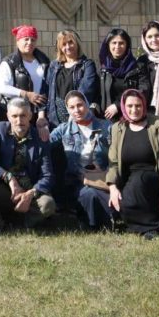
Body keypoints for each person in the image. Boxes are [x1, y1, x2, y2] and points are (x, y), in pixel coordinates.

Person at [106, 89, 159, 239]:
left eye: (138, 105)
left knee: (139, 182)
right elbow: (113, 163)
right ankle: (144, 225)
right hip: (130, 177)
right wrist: (112, 187)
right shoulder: (117, 129)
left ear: (144, 105)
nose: (134, 110)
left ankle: (151, 229)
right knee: (125, 197)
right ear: (123, 107)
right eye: (130, 106)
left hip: (157, 175)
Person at [0, 98, 56, 230]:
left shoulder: (40, 137)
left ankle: (22, 224)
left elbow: (48, 175)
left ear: (30, 116)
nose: (19, 121)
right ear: (8, 116)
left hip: (30, 190)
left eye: (23, 116)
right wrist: (9, 178)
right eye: (14, 116)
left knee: (48, 204)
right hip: (7, 190)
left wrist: (30, 194)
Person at [49, 91, 113, 230]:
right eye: (72, 107)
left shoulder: (106, 127)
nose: (76, 110)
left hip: (103, 179)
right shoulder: (63, 129)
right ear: (67, 109)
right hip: (78, 182)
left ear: (87, 104)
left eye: (80, 105)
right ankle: (93, 226)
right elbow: (44, 145)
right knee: (88, 194)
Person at [0, 25, 51, 137]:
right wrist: (26, 94)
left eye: (33, 39)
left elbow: (46, 89)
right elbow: (2, 87)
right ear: (17, 41)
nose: (29, 42)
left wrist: (41, 115)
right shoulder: (9, 62)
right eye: (26, 39)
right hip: (18, 116)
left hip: (39, 115)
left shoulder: (44, 62)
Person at [42, 30, 100, 129]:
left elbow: (86, 89)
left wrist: (73, 110)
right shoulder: (54, 66)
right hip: (55, 117)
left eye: (70, 42)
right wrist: (41, 115)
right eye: (64, 44)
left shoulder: (87, 65)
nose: (68, 47)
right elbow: (45, 90)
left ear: (77, 43)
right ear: (60, 47)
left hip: (78, 114)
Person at [98, 28, 151, 120]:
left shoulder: (138, 67)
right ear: (108, 45)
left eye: (121, 43)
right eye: (114, 43)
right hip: (107, 119)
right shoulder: (103, 70)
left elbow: (143, 90)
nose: (117, 46)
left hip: (132, 117)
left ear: (127, 45)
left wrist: (118, 105)